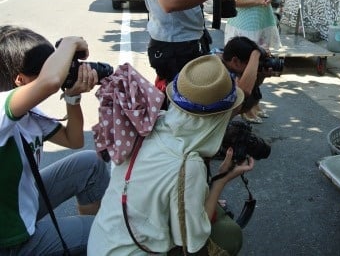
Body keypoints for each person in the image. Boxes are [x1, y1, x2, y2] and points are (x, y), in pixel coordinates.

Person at [87, 55, 255, 255]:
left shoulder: (153, 121)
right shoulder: (188, 164)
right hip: (133, 251)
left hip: (102, 242)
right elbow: (191, 241)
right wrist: (221, 180)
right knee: (229, 235)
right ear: (221, 117)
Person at [0, 25, 110, 255]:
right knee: (107, 232)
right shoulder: (1, 109)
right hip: (10, 238)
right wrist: (70, 43)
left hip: (21, 202)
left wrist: (73, 97)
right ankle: (98, 242)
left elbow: (74, 139)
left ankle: (91, 247)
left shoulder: (29, 113)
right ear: (20, 79)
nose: (60, 76)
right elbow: (49, 82)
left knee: (91, 164)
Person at [221, 0, 282, 123]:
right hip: (243, 23)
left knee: (263, 67)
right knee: (245, 69)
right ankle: (245, 106)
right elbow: (229, 0)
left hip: (264, 20)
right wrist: (255, 0)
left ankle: (254, 102)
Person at [218, 36, 272, 120]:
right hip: (204, 119)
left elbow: (253, 87)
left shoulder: (223, 56)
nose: (253, 66)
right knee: (242, 100)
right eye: (249, 63)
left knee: (251, 94)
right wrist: (256, 53)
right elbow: (243, 92)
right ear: (235, 61)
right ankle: (220, 124)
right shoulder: (221, 74)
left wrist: (261, 76)